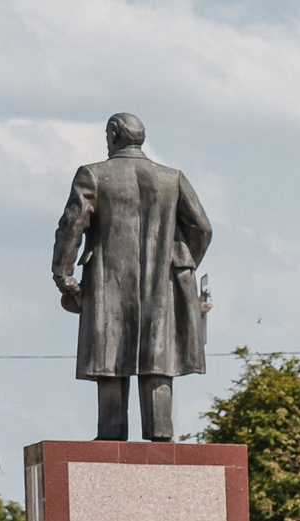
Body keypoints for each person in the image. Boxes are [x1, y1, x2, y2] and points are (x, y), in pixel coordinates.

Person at [52, 113, 212, 442]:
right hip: (161, 286)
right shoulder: (172, 178)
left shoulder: (93, 175)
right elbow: (202, 228)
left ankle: (110, 437)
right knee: (158, 359)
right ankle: (162, 436)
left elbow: (71, 226)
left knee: (109, 357)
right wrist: (180, 263)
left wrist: (63, 273)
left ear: (113, 135)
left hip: (107, 282)